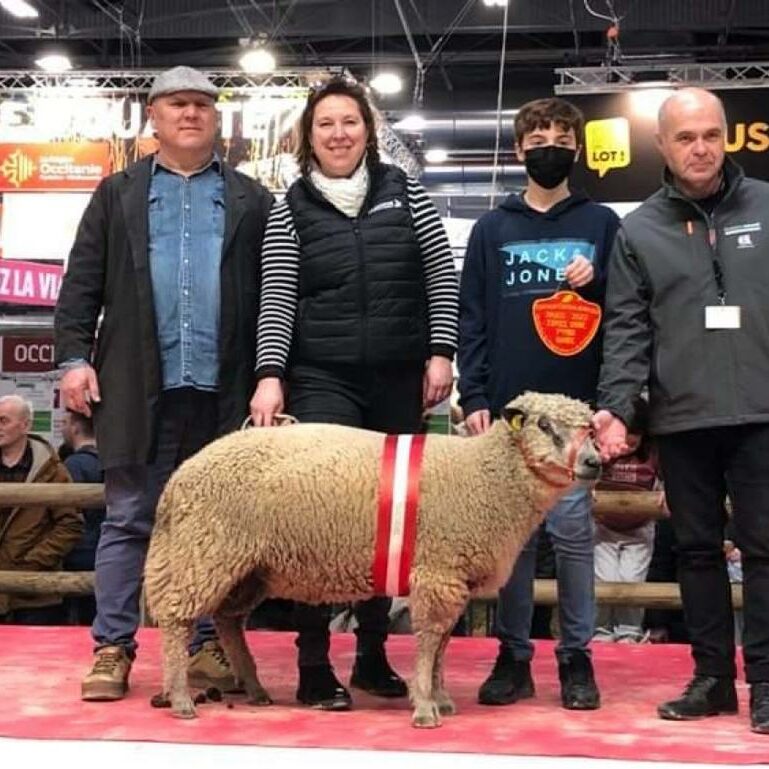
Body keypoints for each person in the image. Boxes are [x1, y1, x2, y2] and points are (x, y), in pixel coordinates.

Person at [54, 66, 274, 701]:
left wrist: (268, 373)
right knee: (127, 517)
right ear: (153, 116)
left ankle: (207, 646)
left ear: (216, 118)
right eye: (177, 103)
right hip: (132, 384)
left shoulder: (250, 198)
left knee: (219, 526)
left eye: (203, 104)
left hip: (223, 388)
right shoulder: (115, 194)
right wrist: (73, 358)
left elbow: (271, 295)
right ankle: (112, 649)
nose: (191, 114)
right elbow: (81, 285)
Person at [250, 76, 459, 710]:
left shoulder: (408, 193)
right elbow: (279, 294)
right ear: (308, 138)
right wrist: (269, 374)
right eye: (326, 125)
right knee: (320, 517)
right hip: (322, 377)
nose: (338, 134)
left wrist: (441, 352)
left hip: (399, 374)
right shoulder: (289, 206)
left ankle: (372, 656)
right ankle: (314, 664)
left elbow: (439, 274)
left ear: (367, 129)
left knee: (391, 520)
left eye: (349, 122)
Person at [593, 87, 769, 734]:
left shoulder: (767, 207)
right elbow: (626, 330)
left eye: (710, 135)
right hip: (683, 416)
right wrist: (615, 407)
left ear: (726, 137)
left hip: (760, 412)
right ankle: (712, 679)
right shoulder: (638, 228)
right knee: (694, 552)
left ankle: (768, 682)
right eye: (685, 137)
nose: (700, 148)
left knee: (763, 550)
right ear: (661, 146)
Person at [458, 97, 619, 710]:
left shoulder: (603, 223)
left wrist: (597, 280)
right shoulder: (492, 228)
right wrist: (473, 394)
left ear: (576, 147)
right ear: (519, 149)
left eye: (560, 135)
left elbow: (625, 313)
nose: (549, 144)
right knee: (515, 544)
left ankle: (577, 657)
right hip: (511, 416)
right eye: (537, 135)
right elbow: (470, 316)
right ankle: (513, 655)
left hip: (577, 413)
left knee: (575, 537)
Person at [0, 395, 81, 625]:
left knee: (34, 658)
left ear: (25, 425)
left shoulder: (53, 471)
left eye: (3, 421)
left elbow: (70, 524)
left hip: (36, 596)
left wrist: (34, 562)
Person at [593, 400, 660, 643]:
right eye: (624, 436)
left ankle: (629, 631)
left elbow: (668, 475)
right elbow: (582, 473)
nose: (628, 443)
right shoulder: (601, 450)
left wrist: (664, 490)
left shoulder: (652, 454)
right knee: (603, 578)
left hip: (639, 529)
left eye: (635, 437)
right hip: (603, 527)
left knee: (632, 579)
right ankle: (600, 631)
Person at [60, 410, 105, 625]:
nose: (62, 427)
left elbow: (68, 514)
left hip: (78, 553)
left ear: (75, 427)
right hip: (106, 552)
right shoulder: (110, 462)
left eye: (65, 422)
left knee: (76, 618)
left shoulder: (72, 466)